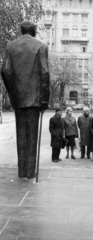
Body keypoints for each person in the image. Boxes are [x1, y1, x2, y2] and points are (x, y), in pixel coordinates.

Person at [1, 20, 49, 179]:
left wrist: (13, 93)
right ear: (34, 30)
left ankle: (22, 171)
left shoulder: (11, 46)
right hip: (34, 99)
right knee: (32, 136)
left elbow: (5, 71)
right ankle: (30, 172)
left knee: (21, 135)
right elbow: (45, 73)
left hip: (18, 98)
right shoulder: (41, 46)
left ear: (21, 30)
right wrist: (44, 99)